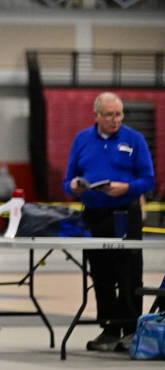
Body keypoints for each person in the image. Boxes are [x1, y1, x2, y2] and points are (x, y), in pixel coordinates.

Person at [63, 92, 154, 352]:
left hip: (125, 213)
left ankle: (131, 328)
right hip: (94, 214)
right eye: (109, 115)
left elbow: (148, 180)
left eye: (119, 114)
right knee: (101, 273)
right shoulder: (82, 139)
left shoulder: (134, 139)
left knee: (129, 272)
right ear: (96, 116)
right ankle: (109, 329)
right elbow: (68, 180)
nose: (115, 120)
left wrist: (126, 188)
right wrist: (73, 186)